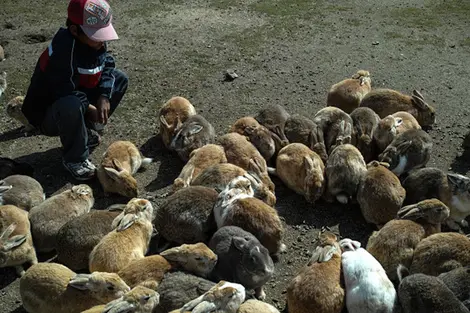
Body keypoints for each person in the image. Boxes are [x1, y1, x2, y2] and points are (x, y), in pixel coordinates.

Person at [21, 0, 128, 181]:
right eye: (96, 35)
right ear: (74, 30)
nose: (102, 41)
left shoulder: (95, 43)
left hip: (77, 98)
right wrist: (91, 108)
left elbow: (107, 64)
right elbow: (62, 91)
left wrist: (103, 96)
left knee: (119, 79)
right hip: (50, 113)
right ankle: (75, 159)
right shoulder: (64, 50)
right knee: (72, 103)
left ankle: (85, 132)